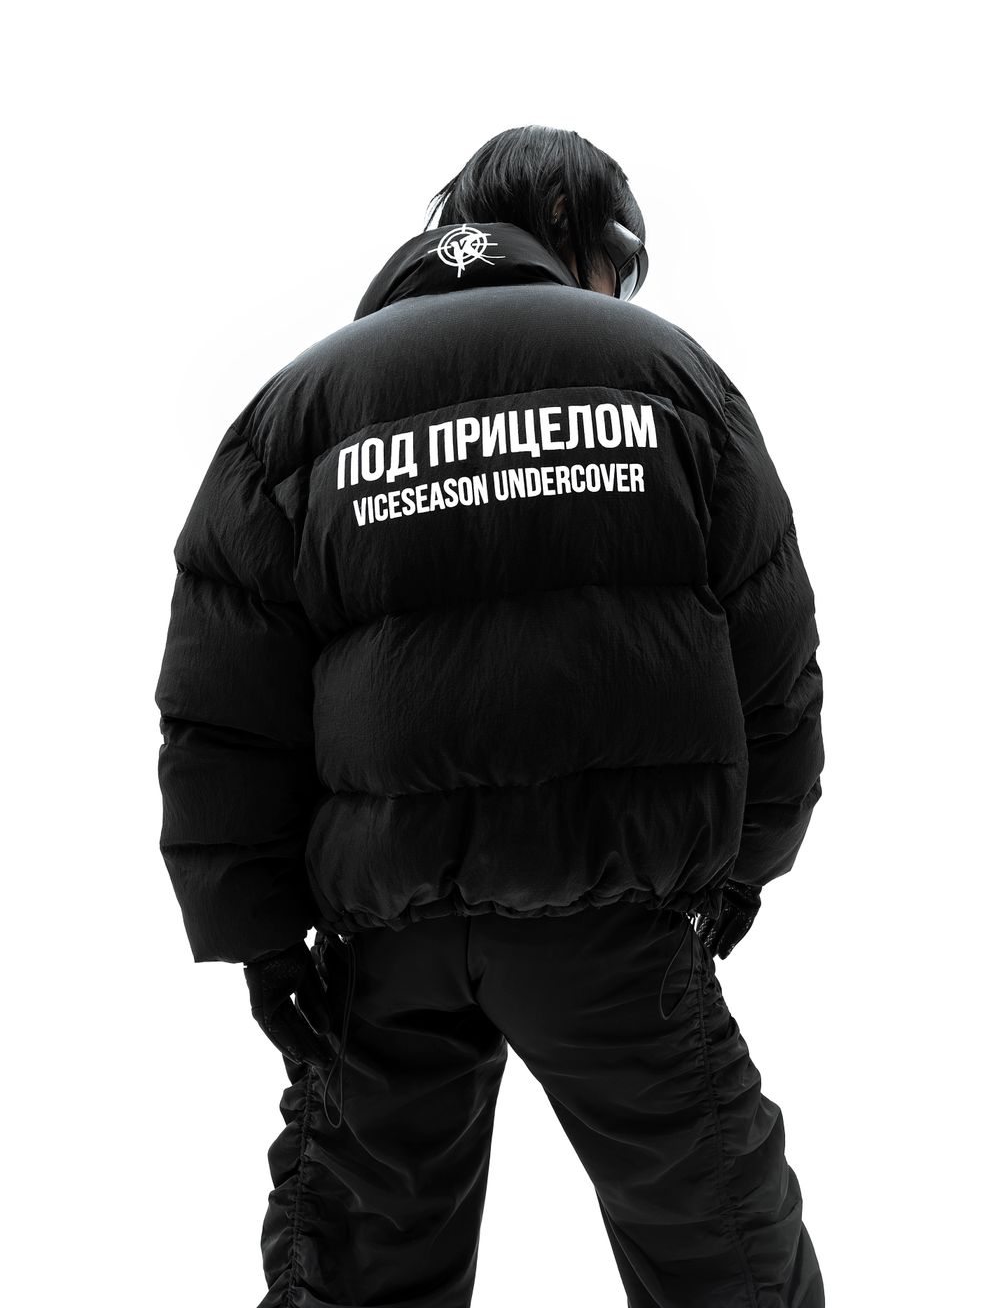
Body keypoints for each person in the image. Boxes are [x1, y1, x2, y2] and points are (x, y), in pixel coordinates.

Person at [153, 124, 826, 1308]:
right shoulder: (671, 382)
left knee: (356, 1267)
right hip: (613, 915)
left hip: (384, 938)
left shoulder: (298, 413)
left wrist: (257, 931)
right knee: (719, 1246)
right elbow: (773, 661)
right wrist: (739, 870)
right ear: (592, 236)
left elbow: (223, 697)